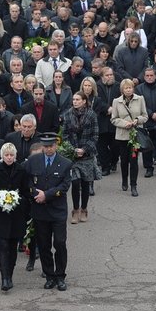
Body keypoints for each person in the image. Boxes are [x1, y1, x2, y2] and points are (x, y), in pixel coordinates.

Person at [23, 133, 71, 290]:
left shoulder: (65, 163)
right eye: (45, 146)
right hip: (40, 210)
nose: (48, 149)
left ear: (56, 146)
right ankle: (49, 275)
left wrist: (46, 195)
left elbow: (64, 186)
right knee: (43, 245)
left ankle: (60, 275)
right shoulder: (33, 161)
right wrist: (35, 193)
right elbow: (27, 180)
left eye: (51, 146)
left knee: (59, 243)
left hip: (57, 210)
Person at [0, 142, 29, 292]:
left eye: (11, 155)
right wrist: (0, 201)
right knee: (2, 245)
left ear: (15, 156)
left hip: (16, 214)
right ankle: (4, 278)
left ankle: (9, 275)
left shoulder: (21, 170)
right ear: (2, 156)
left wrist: (16, 200)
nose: (9, 158)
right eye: (6, 155)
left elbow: (25, 191)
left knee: (12, 246)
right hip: (0, 214)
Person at [61, 92, 100, 223]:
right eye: (73, 99)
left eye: (78, 99)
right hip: (73, 155)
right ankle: (75, 210)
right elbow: (64, 135)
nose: (75, 102)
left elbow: (95, 136)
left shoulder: (92, 115)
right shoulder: (67, 115)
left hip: (87, 155)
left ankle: (84, 209)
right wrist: (73, 149)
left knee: (85, 183)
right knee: (75, 182)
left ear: (84, 101)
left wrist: (84, 149)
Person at [110, 78, 148, 196]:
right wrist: (123, 124)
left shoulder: (140, 99)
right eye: (126, 88)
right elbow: (113, 119)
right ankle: (124, 180)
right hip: (122, 135)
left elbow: (145, 116)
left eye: (130, 87)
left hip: (135, 135)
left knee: (134, 160)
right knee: (124, 160)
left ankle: (133, 185)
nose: (128, 90)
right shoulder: (116, 101)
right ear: (122, 89)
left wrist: (137, 120)